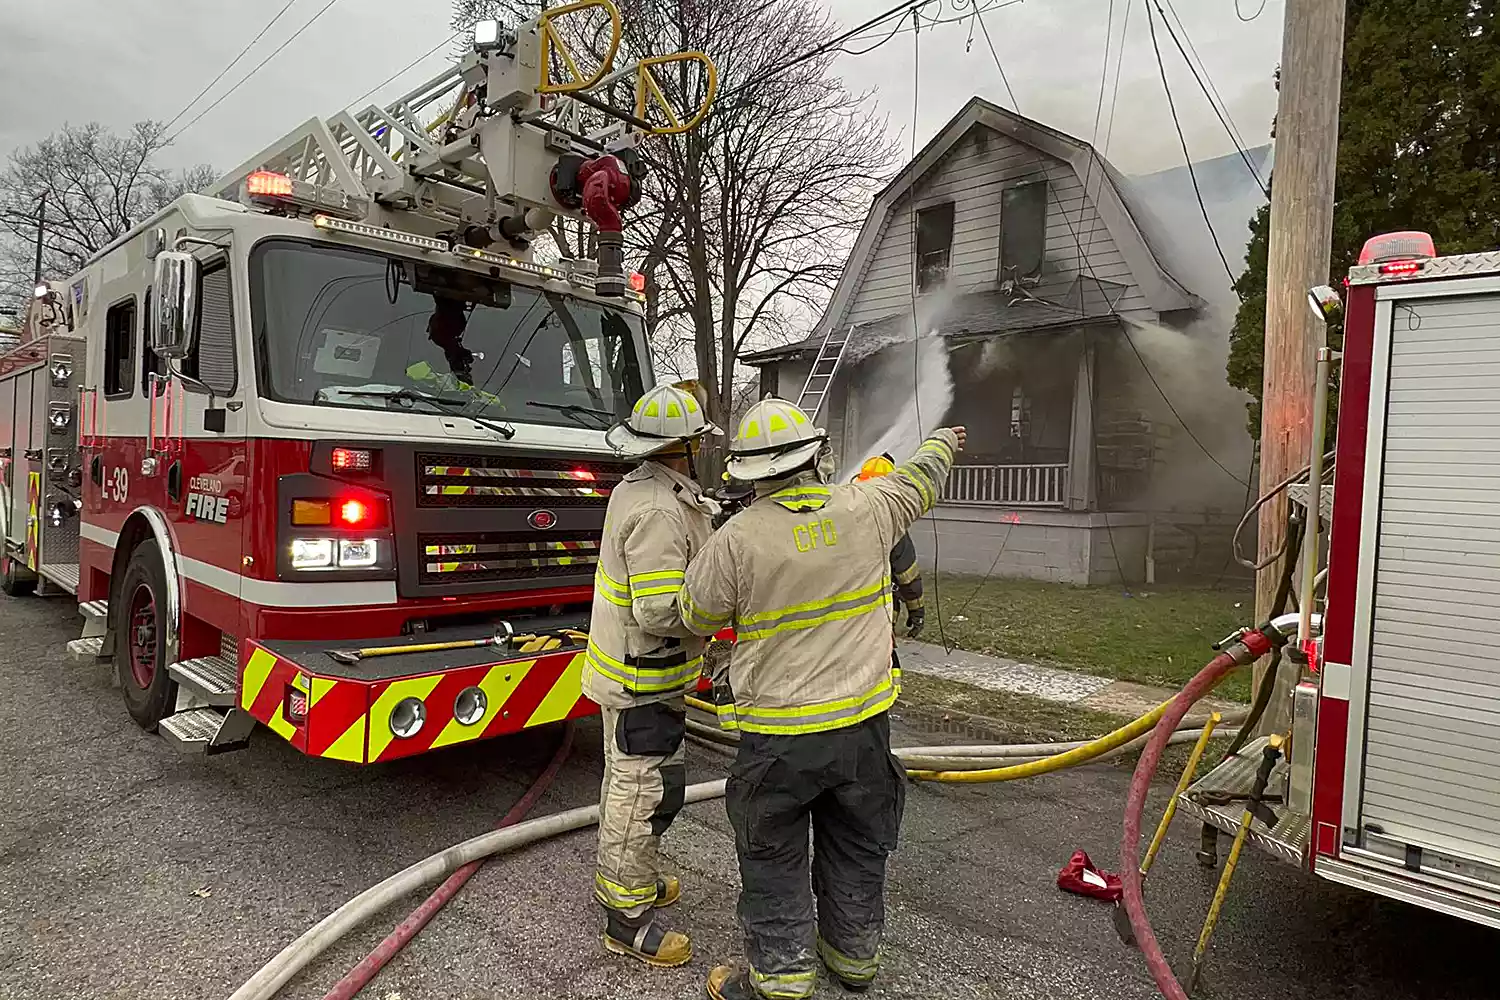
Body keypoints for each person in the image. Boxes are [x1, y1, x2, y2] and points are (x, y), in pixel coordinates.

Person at [679, 397, 964, 999]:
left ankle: (783, 978)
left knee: (772, 851)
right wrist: (943, 438)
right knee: (858, 842)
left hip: (780, 737)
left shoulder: (737, 539)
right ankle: (854, 958)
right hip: (863, 728)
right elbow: (921, 476)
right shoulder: (870, 507)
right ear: (815, 456)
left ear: (750, 473)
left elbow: (694, 614)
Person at [583, 381, 721, 969]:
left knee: (651, 788)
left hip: (648, 677)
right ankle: (625, 918)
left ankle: (633, 880)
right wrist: (720, 605)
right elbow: (660, 611)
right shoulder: (661, 511)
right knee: (640, 793)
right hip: (643, 679)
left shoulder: (648, 490)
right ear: (685, 447)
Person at [854, 454, 927, 643]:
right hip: (881, 614)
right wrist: (917, 610)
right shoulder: (892, 526)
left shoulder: (841, 517)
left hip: (843, 619)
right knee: (885, 666)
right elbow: (907, 574)